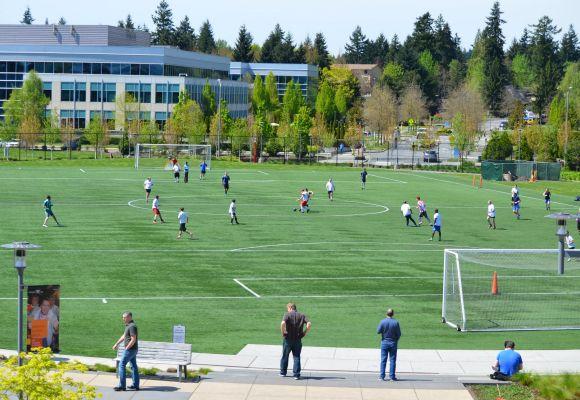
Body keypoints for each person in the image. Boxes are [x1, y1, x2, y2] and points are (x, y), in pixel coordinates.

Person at [280, 303, 311, 380]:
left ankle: (283, 372)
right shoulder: (302, 315)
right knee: (296, 357)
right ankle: (296, 374)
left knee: (285, 356)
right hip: (297, 339)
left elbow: (283, 323)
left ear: (290, 308)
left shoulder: (287, 314)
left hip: (288, 339)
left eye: (287, 308)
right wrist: (305, 332)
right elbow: (309, 324)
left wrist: (283, 332)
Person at [113, 312, 140, 391]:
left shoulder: (132, 326)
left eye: (125, 317)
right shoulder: (128, 326)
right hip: (132, 349)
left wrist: (127, 348)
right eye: (123, 317)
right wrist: (117, 343)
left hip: (130, 350)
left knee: (121, 365)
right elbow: (124, 336)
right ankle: (135, 385)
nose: (123, 319)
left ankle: (122, 386)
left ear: (130, 317)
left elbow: (133, 339)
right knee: (133, 366)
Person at [377, 308, 401, 381]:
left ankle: (382, 376)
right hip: (393, 343)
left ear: (386, 313)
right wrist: (395, 340)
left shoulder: (382, 321)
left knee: (383, 360)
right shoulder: (395, 322)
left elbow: (378, 331)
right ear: (393, 314)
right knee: (393, 360)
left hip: (384, 342)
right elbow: (399, 334)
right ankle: (392, 377)